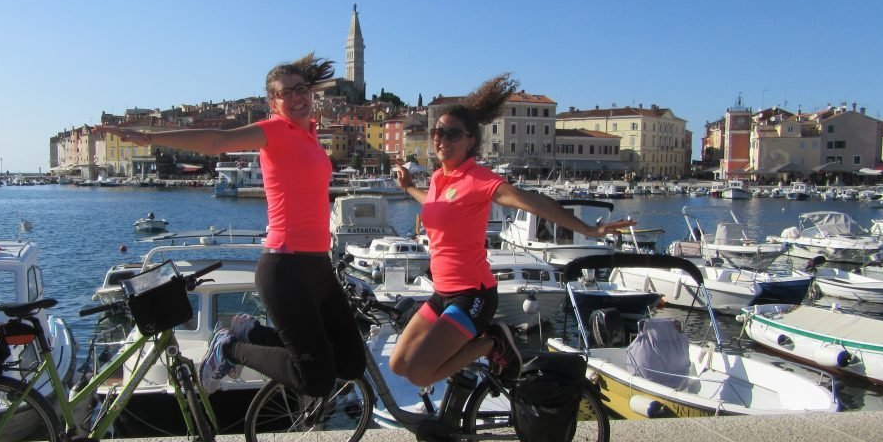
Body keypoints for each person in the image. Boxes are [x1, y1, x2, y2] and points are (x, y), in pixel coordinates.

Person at [114, 54, 366, 398]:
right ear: (273, 103)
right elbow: (217, 140)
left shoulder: (310, 135)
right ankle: (228, 349)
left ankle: (251, 332)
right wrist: (149, 138)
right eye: (286, 93)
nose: (297, 97)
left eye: (301, 89)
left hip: (319, 265)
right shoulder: (275, 131)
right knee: (317, 381)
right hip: (286, 267)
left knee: (351, 363)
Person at [389, 74, 636, 387]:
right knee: (398, 363)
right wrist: (409, 187)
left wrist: (589, 229)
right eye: (438, 132)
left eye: (453, 134)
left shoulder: (479, 180)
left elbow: (534, 202)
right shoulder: (439, 178)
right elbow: (435, 205)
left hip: (472, 295)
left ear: (470, 141)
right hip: (443, 292)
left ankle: (493, 343)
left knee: (419, 373)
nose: (442, 139)